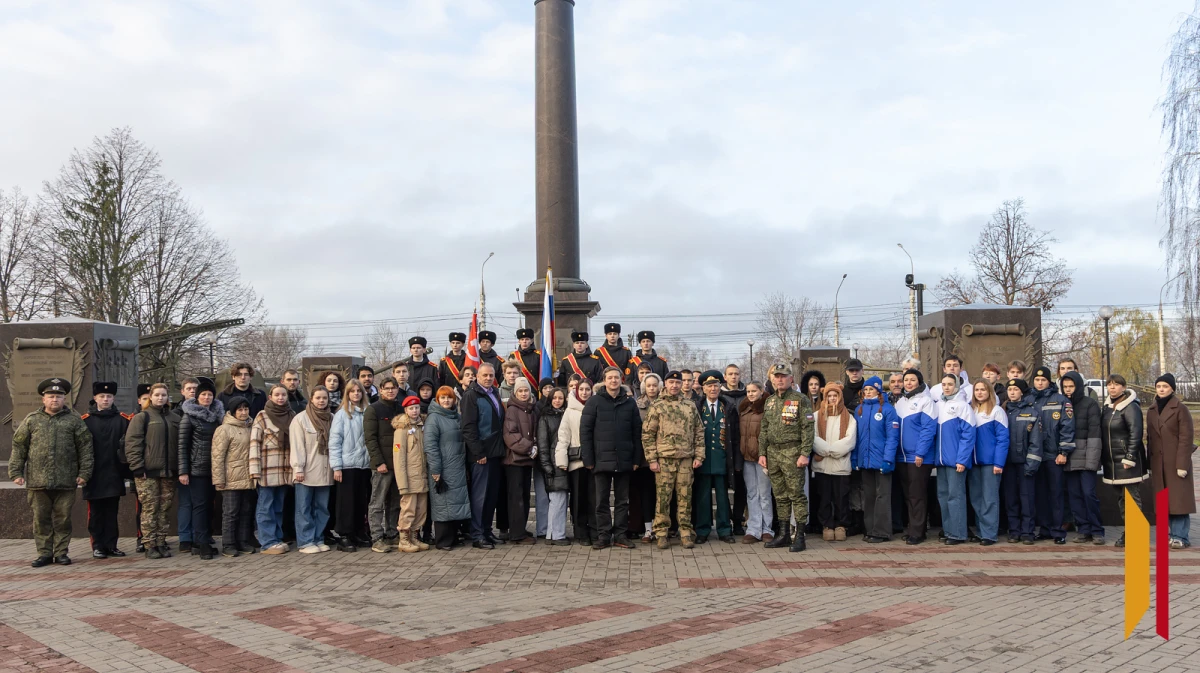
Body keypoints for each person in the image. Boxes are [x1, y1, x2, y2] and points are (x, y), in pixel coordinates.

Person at [10, 378, 92, 567]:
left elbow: (85, 448)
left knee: (63, 519)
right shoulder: (32, 420)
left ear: (65, 399)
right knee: (41, 519)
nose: (55, 400)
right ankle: (44, 553)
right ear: (43, 399)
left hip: (66, 480)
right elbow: (19, 446)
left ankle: (61, 552)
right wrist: (16, 472)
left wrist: (84, 473)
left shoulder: (74, 421)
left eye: (59, 396)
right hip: (38, 481)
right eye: (51, 396)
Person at [581, 366, 643, 549]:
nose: (613, 381)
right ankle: (603, 536)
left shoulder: (630, 403)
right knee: (601, 501)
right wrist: (588, 459)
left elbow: (636, 432)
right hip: (600, 460)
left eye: (616, 378)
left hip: (624, 460)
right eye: (610, 378)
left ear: (621, 380)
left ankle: (621, 535)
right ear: (604, 380)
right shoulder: (594, 402)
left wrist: (636, 459)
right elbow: (585, 431)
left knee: (622, 501)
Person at [642, 370, 704, 549]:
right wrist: (652, 459)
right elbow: (648, 434)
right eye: (672, 382)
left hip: (686, 459)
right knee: (663, 498)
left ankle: (685, 532)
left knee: (685, 497)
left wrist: (699, 455)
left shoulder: (690, 406)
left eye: (678, 383)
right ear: (666, 385)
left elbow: (699, 432)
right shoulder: (657, 406)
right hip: (664, 460)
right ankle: (661, 532)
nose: (675, 385)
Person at [758, 363, 815, 552]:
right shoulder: (770, 401)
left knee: (797, 496)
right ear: (772, 379)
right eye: (776, 376)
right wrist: (762, 453)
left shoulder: (801, 400)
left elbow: (808, 429)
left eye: (783, 376)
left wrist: (805, 453)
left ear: (791, 379)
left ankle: (799, 536)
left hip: (793, 453)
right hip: (773, 454)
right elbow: (764, 429)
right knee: (780, 496)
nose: (780, 379)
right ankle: (782, 534)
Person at [126, 383, 178, 559]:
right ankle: (149, 544)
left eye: (163, 395)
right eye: (157, 395)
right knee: (150, 508)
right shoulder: (142, 417)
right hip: (147, 472)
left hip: (168, 471)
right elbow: (132, 444)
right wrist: (138, 467)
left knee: (164, 509)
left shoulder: (174, 418)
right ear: (150, 397)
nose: (160, 398)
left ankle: (161, 541)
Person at [82, 381, 132, 559]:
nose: (105, 399)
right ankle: (98, 545)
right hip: (94, 475)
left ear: (113, 398)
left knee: (112, 512)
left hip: (114, 473)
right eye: (102, 396)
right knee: (96, 514)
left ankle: (112, 545)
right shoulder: (85, 421)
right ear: (95, 398)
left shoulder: (123, 420)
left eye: (109, 396)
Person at [1147, 373, 1196, 549]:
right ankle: (1170, 533)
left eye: (1165, 386)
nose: (1161, 389)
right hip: (1158, 463)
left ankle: (1180, 536)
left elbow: (1186, 438)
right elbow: (1150, 439)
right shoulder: (1152, 410)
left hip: (1176, 462)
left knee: (1178, 501)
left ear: (1172, 388)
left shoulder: (1180, 409)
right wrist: (1149, 464)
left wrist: (1182, 464)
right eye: (1159, 386)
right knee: (1163, 502)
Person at [461, 363, 507, 549]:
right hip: (481, 455)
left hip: (496, 453)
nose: (488, 378)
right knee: (480, 496)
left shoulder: (494, 393)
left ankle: (487, 531)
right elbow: (468, 427)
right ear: (477, 376)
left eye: (491, 375)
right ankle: (477, 534)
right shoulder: (471, 395)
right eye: (484, 375)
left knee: (491, 496)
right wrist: (478, 452)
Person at [178, 376, 223, 560]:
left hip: (215, 468)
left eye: (209, 394)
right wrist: (183, 471)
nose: (206, 398)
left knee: (210, 505)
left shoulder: (219, 416)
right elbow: (182, 445)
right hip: (197, 469)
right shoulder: (189, 417)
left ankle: (201, 540)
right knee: (200, 506)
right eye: (203, 394)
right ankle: (201, 543)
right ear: (196, 397)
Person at [1029, 365, 1074, 545]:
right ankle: (1045, 529)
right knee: (1040, 495)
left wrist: (1064, 451)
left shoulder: (1061, 400)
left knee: (1055, 494)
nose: (1040, 383)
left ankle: (1058, 531)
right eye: (1037, 380)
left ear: (1049, 382)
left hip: (1053, 455)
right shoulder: (1028, 399)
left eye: (1043, 380)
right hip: (1034, 456)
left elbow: (1067, 427)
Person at [1101, 374, 1146, 548]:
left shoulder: (1131, 407)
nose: (1112, 388)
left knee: (1132, 498)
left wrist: (1130, 457)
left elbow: (1136, 433)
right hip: (1112, 462)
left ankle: (1135, 534)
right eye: (1109, 385)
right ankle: (1129, 532)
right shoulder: (1107, 407)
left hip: (1127, 460)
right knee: (1122, 498)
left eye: (1116, 385)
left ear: (1124, 387)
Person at [852, 376, 899, 543]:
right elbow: (856, 438)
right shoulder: (860, 410)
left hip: (882, 461)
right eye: (865, 390)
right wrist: (856, 458)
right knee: (869, 496)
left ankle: (882, 532)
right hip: (865, 462)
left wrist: (888, 459)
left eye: (871, 389)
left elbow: (892, 437)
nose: (868, 392)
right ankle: (870, 529)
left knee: (882, 496)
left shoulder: (887, 410)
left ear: (878, 391)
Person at [250, 384, 295, 555]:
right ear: (270, 397)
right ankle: (267, 542)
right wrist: (255, 470)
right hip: (267, 470)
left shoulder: (292, 416)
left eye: (283, 394)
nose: (280, 398)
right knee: (265, 506)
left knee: (278, 507)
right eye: (277, 395)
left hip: (284, 470)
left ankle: (277, 538)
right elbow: (254, 444)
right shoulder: (262, 416)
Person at [1060, 371, 1104, 545]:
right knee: (1074, 496)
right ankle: (1083, 528)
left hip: (1086, 457)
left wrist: (1092, 461)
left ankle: (1097, 529)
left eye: (1071, 386)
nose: (1068, 390)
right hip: (1069, 458)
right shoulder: (1062, 404)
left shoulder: (1090, 404)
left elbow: (1094, 434)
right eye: (1065, 387)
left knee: (1088, 494)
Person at [425, 386, 471, 550]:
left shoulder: (457, 417)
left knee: (455, 503)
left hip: (458, 467)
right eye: (443, 398)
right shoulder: (434, 419)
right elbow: (430, 447)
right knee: (443, 504)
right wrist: (436, 470)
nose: (446, 401)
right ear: (437, 400)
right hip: (443, 468)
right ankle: (443, 540)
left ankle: (453, 536)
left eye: (449, 398)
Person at [290, 386, 334, 554]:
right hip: (306, 470)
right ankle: (305, 541)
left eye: (324, 398)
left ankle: (318, 537)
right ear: (311, 399)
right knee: (304, 507)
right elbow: (297, 446)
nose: (321, 401)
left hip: (325, 470)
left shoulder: (332, 418)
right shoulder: (301, 419)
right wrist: (298, 468)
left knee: (322, 507)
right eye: (318, 398)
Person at [329, 379, 371, 552]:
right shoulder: (341, 414)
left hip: (364, 465)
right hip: (347, 465)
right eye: (352, 391)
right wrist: (336, 466)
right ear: (347, 394)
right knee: (346, 503)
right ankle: (344, 535)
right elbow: (335, 441)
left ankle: (358, 532)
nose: (356, 394)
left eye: (358, 391)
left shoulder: (368, 412)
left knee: (362, 501)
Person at [895, 369, 937, 544]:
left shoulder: (926, 402)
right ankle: (914, 527)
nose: (909, 383)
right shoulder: (900, 402)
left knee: (917, 495)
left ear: (919, 382)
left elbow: (928, 429)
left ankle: (917, 532)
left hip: (918, 457)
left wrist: (920, 452)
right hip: (902, 457)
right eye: (906, 380)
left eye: (912, 379)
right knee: (908, 495)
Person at [934, 373, 976, 545]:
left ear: (957, 386)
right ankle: (949, 529)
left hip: (955, 461)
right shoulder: (938, 405)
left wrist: (962, 459)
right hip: (941, 461)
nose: (946, 387)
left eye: (950, 384)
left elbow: (969, 435)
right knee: (943, 496)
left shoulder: (963, 406)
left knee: (955, 496)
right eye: (944, 384)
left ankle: (958, 533)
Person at [212, 396, 256, 557]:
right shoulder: (224, 429)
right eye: (240, 410)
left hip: (248, 478)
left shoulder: (252, 427)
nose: (243, 412)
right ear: (233, 412)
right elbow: (217, 456)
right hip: (231, 478)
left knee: (246, 511)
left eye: (246, 409)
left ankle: (243, 541)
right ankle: (228, 544)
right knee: (231, 512)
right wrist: (219, 479)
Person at [812, 381, 856, 542]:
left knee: (841, 498)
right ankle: (827, 525)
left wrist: (831, 450)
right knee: (824, 498)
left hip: (841, 465)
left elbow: (850, 440)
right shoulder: (817, 416)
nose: (832, 398)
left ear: (840, 397)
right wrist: (827, 449)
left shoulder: (848, 417)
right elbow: (813, 437)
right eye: (829, 396)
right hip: (822, 466)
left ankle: (841, 525)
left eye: (835, 395)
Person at [364, 376, 404, 552]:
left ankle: (391, 533)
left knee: (395, 502)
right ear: (380, 390)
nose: (390, 391)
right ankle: (377, 537)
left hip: (398, 464)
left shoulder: (400, 408)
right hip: (382, 465)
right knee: (377, 502)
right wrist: (378, 462)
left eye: (393, 388)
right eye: (387, 388)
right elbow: (370, 439)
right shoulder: (373, 410)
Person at [968, 380, 1008, 546]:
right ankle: (981, 531)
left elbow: (1003, 439)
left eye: (983, 389)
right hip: (973, 463)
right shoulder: (970, 410)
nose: (979, 392)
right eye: (976, 389)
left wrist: (999, 463)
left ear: (989, 391)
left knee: (989, 498)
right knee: (976, 498)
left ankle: (990, 534)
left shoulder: (997, 411)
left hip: (991, 463)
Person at [558, 379, 596, 546]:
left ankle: (595, 530)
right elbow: (563, 435)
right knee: (579, 499)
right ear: (576, 391)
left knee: (595, 499)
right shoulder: (570, 411)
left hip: (595, 461)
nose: (584, 392)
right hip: (577, 462)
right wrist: (561, 459)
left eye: (588, 389)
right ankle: (581, 532)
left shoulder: (597, 407)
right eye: (581, 389)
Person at [390, 395, 430, 553]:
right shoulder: (402, 429)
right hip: (409, 478)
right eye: (411, 408)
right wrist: (402, 483)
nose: (415, 411)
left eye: (417, 408)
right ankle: (404, 539)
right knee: (408, 508)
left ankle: (414, 535)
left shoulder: (421, 426)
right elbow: (398, 457)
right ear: (405, 410)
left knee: (421, 509)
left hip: (422, 476)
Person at [1002, 378, 1040, 544]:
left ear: (1022, 392)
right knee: (1011, 499)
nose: (1012, 392)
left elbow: (1036, 442)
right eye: (1010, 390)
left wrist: (1031, 464)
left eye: (1016, 390)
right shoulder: (1002, 411)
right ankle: (1014, 530)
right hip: (1008, 463)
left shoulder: (1031, 412)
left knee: (1027, 498)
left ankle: (1027, 532)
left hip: (1025, 463)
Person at [502, 378, 538, 544]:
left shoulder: (530, 409)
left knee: (524, 496)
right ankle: (516, 534)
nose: (524, 394)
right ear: (515, 393)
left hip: (526, 460)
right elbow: (511, 436)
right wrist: (530, 447)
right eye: (520, 391)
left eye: (526, 391)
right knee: (516, 497)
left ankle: (520, 529)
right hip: (514, 460)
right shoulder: (512, 410)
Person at [632, 372, 664, 542]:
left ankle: (662, 527)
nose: (652, 388)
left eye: (655, 385)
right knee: (646, 494)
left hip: (665, 456)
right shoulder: (637, 406)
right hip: (645, 458)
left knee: (662, 494)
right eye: (649, 385)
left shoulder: (666, 404)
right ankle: (647, 528)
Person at [738, 381, 771, 543]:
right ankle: (753, 528)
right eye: (748, 391)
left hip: (762, 458)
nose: (750, 394)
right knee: (752, 494)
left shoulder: (767, 408)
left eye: (754, 391)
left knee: (764, 494)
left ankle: (767, 528)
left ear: (761, 391)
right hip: (747, 458)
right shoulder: (743, 409)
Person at [538, 388, 570, 545]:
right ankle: (557, 535)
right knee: (558, 500)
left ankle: (552, 534)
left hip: (564, 462)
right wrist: (547, 466)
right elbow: (543, 445)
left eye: (561, 398)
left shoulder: (566, 415)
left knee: (560, 499)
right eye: (555, 398)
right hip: (553, 463)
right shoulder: (545, 418)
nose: (558, 401)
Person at [721, 364, 748, 536]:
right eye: (730, 374)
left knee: (741, 488)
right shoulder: (720, 396)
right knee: (723, 488)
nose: (733, 377)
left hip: (742, 447)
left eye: (736, 374)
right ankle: (726, 519)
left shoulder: (747, 395)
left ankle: (738, 521)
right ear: (725, 376)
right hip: (724, 448)